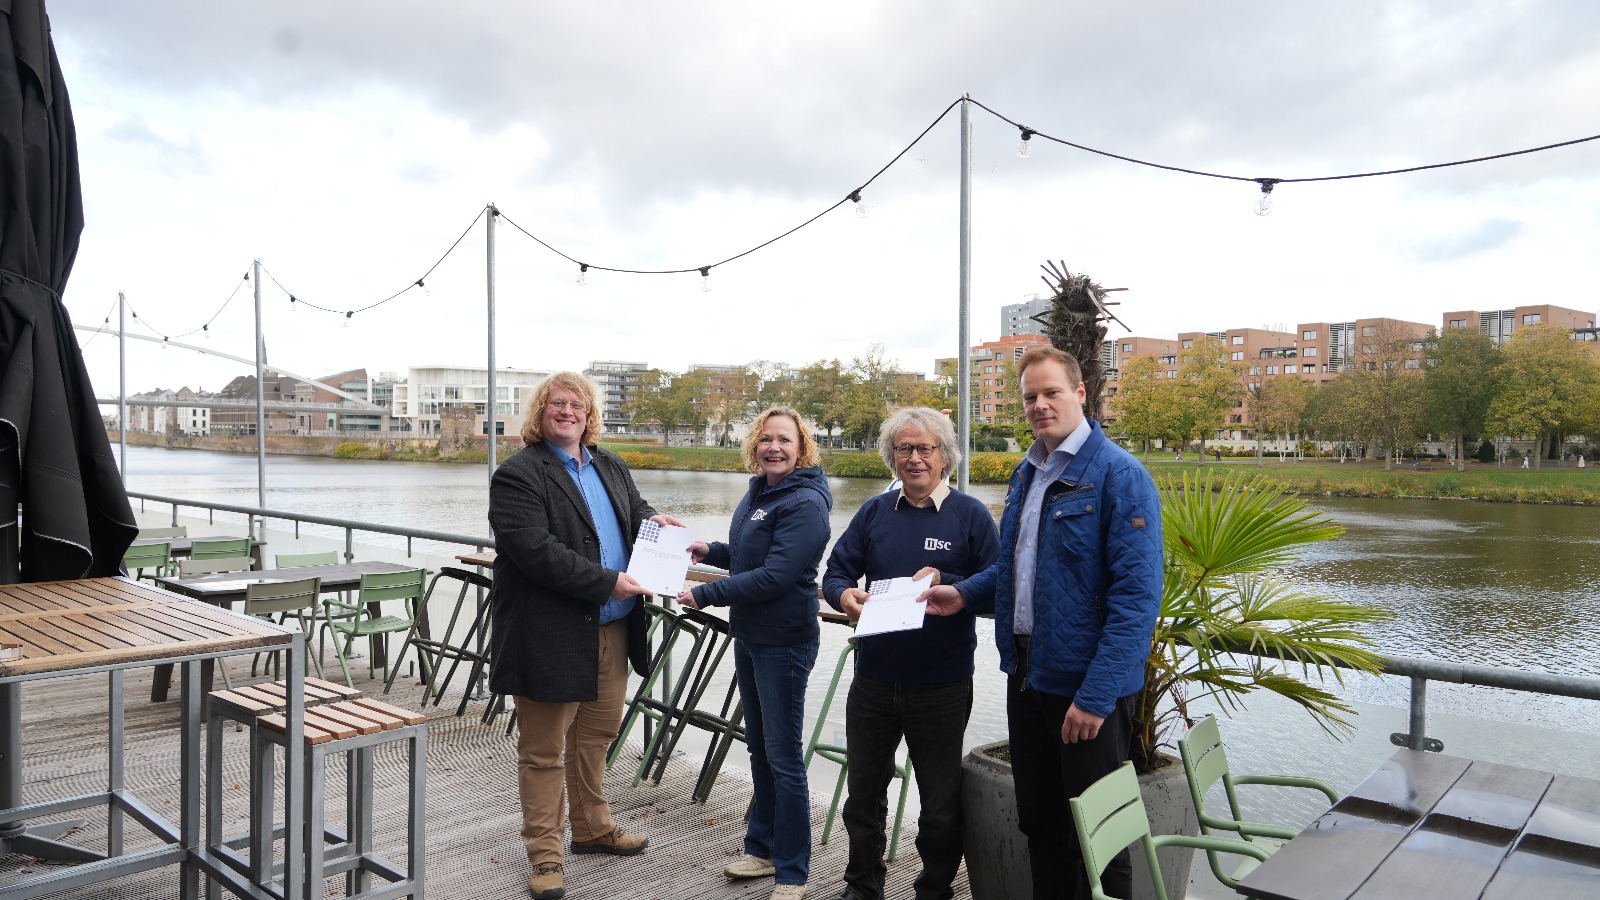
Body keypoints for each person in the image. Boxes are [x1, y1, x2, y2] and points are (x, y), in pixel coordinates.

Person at [920, 346, 1162, 900]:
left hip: (1085, 691)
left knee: (1101, 839)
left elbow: (1137, 600)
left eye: (1051, 392)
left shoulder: (1120, 476)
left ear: (1080, 394)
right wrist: (962, 593)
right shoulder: (1026, 474)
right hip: (1029, 678)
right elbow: (1016, 567)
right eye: (1030, 396)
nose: (1039, 404)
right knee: (1042, 826)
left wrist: (1097, 696)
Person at [488, 371, 686, 900]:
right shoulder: (518, 474)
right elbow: (535, 550)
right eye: (558, 403)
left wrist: (655, 524)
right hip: (549, 634)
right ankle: (546, 855)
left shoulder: (610, 463)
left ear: (589, 413)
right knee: (543, 751)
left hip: (614, 627)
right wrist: (605, 581)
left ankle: (593, 828)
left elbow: (632, 512)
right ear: (541, 411)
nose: (568, 412)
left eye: (577, 404)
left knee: (595, 736)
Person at [821, 408, 1000, 900]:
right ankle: (862, 888)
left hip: (941, 684)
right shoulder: (875, 512)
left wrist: (952, 583)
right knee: (863, 797)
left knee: (940, 804)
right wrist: (843, 597)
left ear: (945, 456)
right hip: (874, 678)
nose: (915, 458)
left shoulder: (971, 516)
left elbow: (997, 588)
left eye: (926, 449)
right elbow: (835, 572)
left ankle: (934, 890)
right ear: (892, 457)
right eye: (904, 449)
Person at [679, 407, 833, 900]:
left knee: (785, 757)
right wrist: (713, 551)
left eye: (784, 440)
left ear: (801, 447)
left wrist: (704, 594)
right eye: (766, 439)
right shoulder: (760, 492)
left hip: (784, 642)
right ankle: (761, 848)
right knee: (760, 749)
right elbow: (751, 555)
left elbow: (776, 575)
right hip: (749, 634)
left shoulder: (806, 502)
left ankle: (793, 872)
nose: (774, 447)